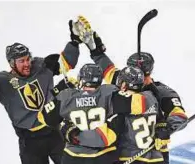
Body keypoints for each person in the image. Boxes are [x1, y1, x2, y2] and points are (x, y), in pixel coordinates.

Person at [60, 17, 188, 163]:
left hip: (154, 152)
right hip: (129, 155)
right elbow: (109, 70)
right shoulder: (126, 83)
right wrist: (94, 48)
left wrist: (165, 129)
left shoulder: (162, 92)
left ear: (146, 73)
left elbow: (180, 116)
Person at [0, 16, 90, 164]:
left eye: (28, 59)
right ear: (12, 63)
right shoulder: (2, 81)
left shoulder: (41, 65)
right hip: (30, 142)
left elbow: (67, 63)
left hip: (54, 133)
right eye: (21, 61)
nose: (27, 64)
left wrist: (75, 42)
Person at [39, 63, 119, 164]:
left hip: (73, 157)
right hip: (104, 155)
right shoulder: (109, 92)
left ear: (81, 79)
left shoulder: (66, 96)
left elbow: (45, 118)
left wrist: (59, 89)